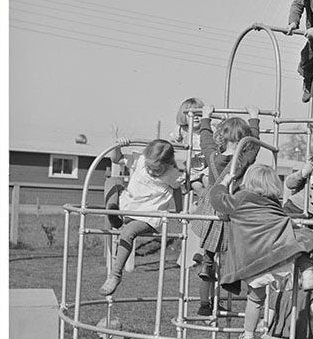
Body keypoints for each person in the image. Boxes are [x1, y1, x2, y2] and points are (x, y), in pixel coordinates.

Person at [209, 162, 313, 339]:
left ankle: (248, 335)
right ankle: (308, 275)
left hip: (253, 263)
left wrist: (223, 184)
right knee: (300, 238)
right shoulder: (274, 205)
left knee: (255, 300)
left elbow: (218, 201)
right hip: (278, 262)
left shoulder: (241, 198)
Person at [191, 105, 260, 316]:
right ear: (244, 142)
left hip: (211, 207)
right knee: (233, 245)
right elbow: (255, 146)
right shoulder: (243, 160)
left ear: (223, 138)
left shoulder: (213, 156)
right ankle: (232, 276)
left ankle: (206, 269)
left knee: (210, 250)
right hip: (231, 206)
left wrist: (205, 118)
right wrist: (254, 119)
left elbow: (206, 141)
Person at [99, 139, 184, 297]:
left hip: (148, 216)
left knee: (128, 232)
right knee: (111, 182)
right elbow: (115, 159)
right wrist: (118, 145)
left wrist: (179, 211)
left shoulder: (173, 174)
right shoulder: (140, 160)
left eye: (156, 170)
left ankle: (115, 275)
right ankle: (114, 214)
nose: (151, 172)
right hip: (128, 206)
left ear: (167, 165)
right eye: (149, 168)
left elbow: (178, 191)